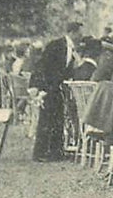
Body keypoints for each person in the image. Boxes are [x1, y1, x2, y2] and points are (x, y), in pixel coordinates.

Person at [30, 21, 84, 161]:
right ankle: (40, 153)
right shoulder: (56, 45)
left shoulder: (72, 48)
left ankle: (56, 151)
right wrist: (42, 89)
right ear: (72, 32)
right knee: (46, 119)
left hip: (57, 87)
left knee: (58, 119)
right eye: (79, 32)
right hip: (49, 87)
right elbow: (43, 66)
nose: (81, 35)